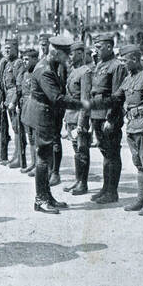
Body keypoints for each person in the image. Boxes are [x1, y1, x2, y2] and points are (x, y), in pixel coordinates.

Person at [87, 45, 143, 215]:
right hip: (133, 127)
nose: (124, 64)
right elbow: (116, 98)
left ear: (134, 59)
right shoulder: (128, 79)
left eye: (126, 61)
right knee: (139, 164)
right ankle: (141, 200)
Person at [21, 36, 82, 213]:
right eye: (65, 54)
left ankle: (47, 196)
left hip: (45, 114)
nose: (68, 58)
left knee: (46, 157)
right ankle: (40, 200)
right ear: (55, 52)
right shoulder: (45, 70)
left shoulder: (52, 65)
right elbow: (56, 98)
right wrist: (81, 104)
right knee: (43, 158)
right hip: (41, 115)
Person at [88, 34, 127, 204]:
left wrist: (111, 118)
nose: (95, 50)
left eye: (99, 46)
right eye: (95, 46)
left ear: (110, 47)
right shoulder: (99, 65)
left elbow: (117, 95)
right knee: (105, 153)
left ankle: (112, 191)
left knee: (112, 153)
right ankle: (105, 188)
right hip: (97, 113)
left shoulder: (116, 66)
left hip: (107, 115)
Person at [62, 42, 93, 195]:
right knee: (76, 150)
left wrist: (81, 123)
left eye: (72, 54)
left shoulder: (85, 72)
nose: (70, 57)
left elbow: (85, 100)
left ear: (80, 54)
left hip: (79, 118)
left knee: (82, 150)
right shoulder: (73, 71)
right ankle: (78, 180)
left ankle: (83, 183)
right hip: (70, 116)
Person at [2, 38, 26, 168]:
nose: (6, 50)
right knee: (15, 129)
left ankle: (20, 159)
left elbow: (19, 85)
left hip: (16, 100)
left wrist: (14, 102)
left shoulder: (18, 64)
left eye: (9, 48)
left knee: (18, 129)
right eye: (5, 48)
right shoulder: (8, 64)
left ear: (15, 49)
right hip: (9, 99)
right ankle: (16, 155)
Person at [19, 48, 40, 175]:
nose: (24, 62)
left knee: (37, 138)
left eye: (27, 59)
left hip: (36, 108)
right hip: (26, 107)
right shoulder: (26, 73)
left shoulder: (38, 72)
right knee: (30, 137)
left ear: (35, 59)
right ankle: (33, 163)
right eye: (23, 59)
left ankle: (39, 165)